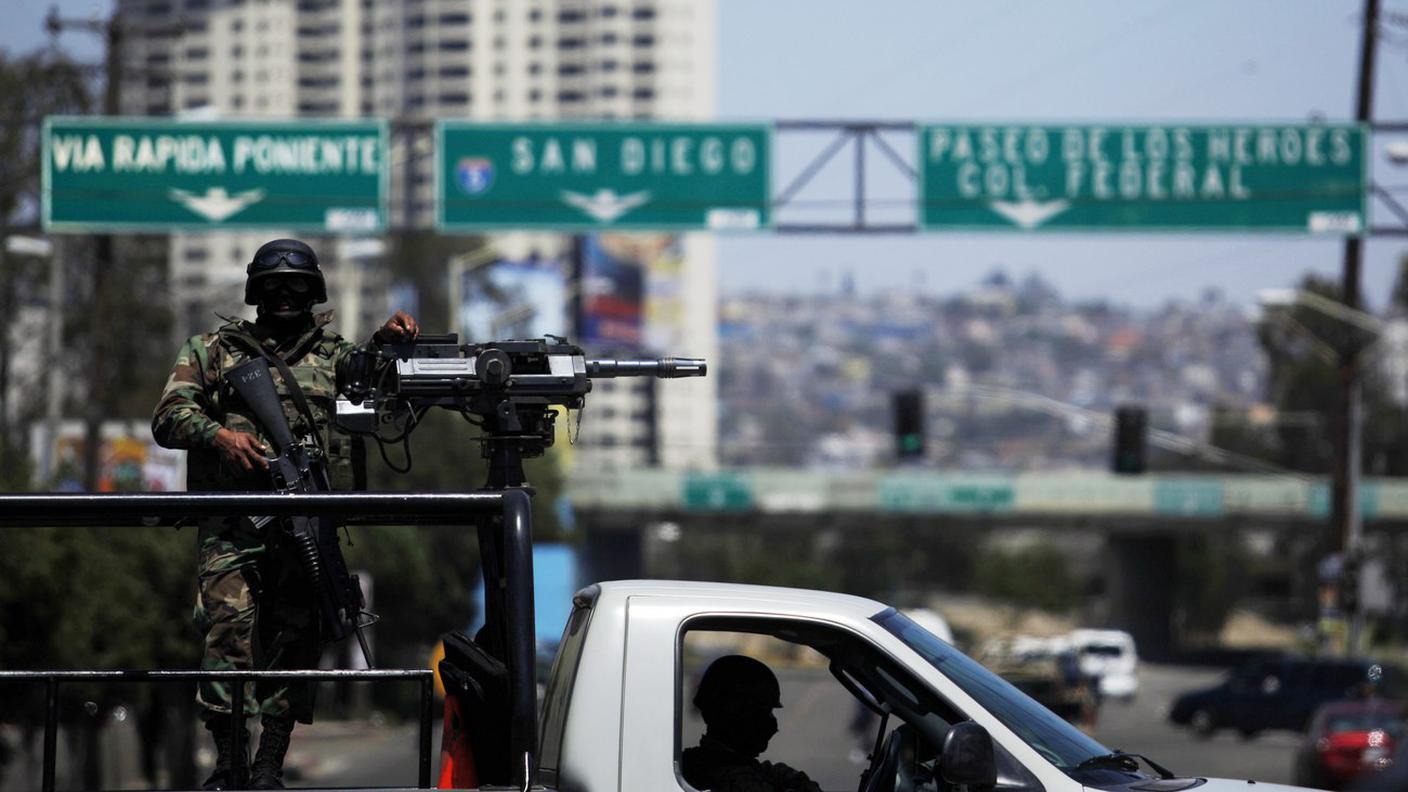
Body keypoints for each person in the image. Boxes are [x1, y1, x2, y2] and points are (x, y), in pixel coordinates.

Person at [152, 238, 419, 790]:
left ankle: (270, 763)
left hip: (305, 525)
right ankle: (229, 763)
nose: (285, 295)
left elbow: (373, 374)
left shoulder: (333, 354)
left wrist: (389, 342)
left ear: (314, 290)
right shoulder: (213, 350)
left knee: (296, 641)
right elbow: (169, 416)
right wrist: (220, 437)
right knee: (229, 634)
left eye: (297, 285)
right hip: (234, 524)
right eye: (273, 286)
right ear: (255, 291)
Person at [681, 655, 822, 792]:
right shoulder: (733, 779)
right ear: (740, 715)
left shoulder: (700, 763)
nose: (773, 724)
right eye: (766, 713)